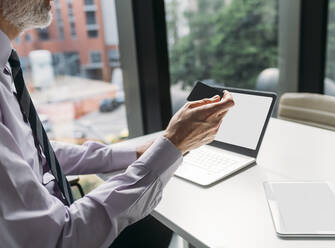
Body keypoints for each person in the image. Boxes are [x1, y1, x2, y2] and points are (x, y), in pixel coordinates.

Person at [0, 0, 235, 247]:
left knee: (158, 218)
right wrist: (172, 144)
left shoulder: (5, 67)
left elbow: (33, 152)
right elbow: (61, 237)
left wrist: (134, 153)